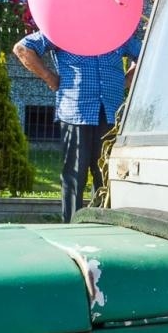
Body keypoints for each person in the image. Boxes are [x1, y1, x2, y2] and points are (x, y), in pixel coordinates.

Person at [13, 29, 141, 221]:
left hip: (110, 113)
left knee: (107, 176)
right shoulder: (64, 27)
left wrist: (127, 80)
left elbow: (146, 53)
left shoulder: (116, 30)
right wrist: (49, 77)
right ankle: (71, 225)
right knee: (75, 176)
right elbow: (22, 48)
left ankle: (105, 223)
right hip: (76, 112)